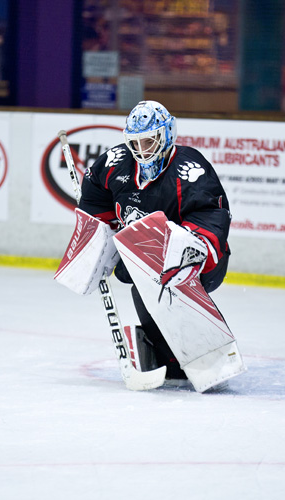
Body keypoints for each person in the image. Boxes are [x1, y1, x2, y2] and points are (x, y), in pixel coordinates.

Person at [77, 100, 232, 383]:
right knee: (144, 283)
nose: (141, 150)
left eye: (148, 141)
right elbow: (95, 192)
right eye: (135, 143)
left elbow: (211, 215)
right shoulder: (116, 162)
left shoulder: (191, 169)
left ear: (167, 134)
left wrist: (186, 256)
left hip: (197, 262)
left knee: (166, 288)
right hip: (146, 260)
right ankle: (166, 357)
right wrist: (98, 234)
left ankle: (203, 352)